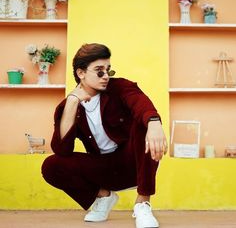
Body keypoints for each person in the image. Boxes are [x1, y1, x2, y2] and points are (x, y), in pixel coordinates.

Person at [42, 43, 167, 228]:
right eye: (99, 71)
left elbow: (140, 104)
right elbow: (62, 150)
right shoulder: (66, 107)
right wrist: (71, 103)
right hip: (103, 169)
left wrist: (154, 122)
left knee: (144, 123)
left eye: (108, 70)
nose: (106, 76)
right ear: (81, 73)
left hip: (132, 162)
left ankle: (142, 203)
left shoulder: (120, 88)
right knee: (51, 165)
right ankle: (104, 196)